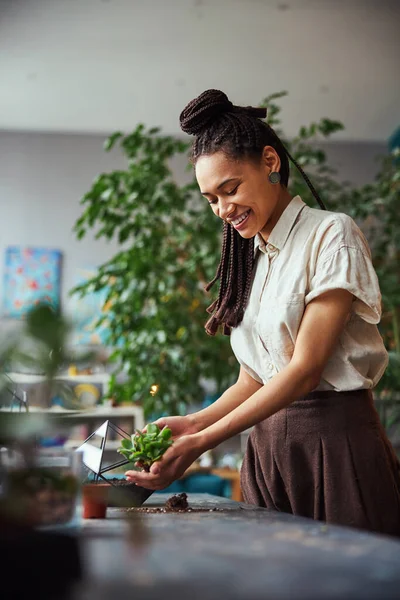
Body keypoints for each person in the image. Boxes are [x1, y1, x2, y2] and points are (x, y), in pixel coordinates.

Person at [126, 89, 400, 535]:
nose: (222, 209)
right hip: (268, 452)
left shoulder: (331, 235)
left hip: (334, 448)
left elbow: (305, 369)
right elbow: (256, 378)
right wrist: (191, 423)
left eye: (230, 189)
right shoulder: (250, 259)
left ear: (270, 162)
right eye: (211, 199)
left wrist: (200, 443)